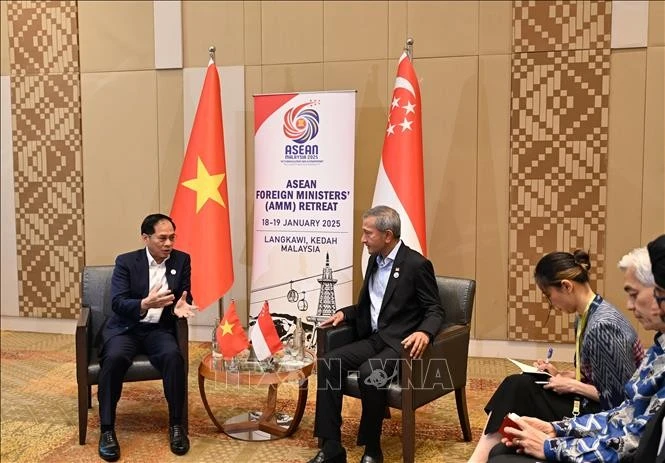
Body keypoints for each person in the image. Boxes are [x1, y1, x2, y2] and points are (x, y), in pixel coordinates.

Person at [487, 237, 665, 462]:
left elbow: (620, 409)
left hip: (604, 427)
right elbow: (625, 413)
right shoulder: (655, 346)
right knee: (518, 391)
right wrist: (557, 428)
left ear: (566, 286)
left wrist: (554, 444)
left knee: (518, 393)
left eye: (634, 294)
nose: (629, 305)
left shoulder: (603, 326)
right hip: (611, 428)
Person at [307, 205, 444, 463]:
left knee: (371, 373)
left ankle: (372, 449)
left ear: (388, 235)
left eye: (368, 234)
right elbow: (375, 304)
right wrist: (345, 314)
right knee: (329, 364)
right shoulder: (374, 260)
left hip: (399, 343)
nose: (362, 239)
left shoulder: (417, 265)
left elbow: (435, 309)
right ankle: (332, 445)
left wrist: (425, 332)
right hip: (374, 338)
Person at [97, 213, 197, 461]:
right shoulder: (126, 262)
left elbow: (185, 295)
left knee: (174, 357)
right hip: (126, 327)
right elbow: (118, 303)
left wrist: (179, 307)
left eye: (172, 238)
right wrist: (144, 303)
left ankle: (176, 425)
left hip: (158, 329)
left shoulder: (182, 260)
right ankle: (107, 429)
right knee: (114, 359)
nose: (168, 244)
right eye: (162, 238)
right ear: (145, 238)